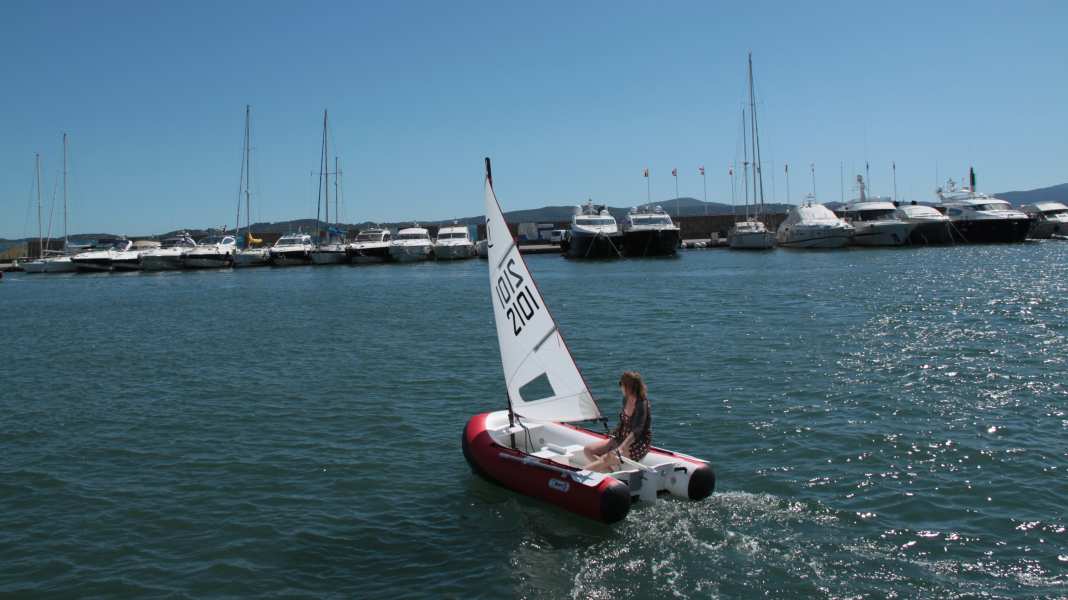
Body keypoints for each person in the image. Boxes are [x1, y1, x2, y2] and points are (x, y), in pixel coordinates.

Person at [583, 371, 652, 472]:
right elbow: (624, 421)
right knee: (588, 450)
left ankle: (580, 473)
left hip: (636, 444)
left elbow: (637, 430)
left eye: (621, 384)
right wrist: (615, 433)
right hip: (621, 437)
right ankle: (611, 473)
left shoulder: (641, 404)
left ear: (628, 386)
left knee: (606, 458)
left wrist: (621, 448)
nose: (620, 387)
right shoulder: (625, 399)